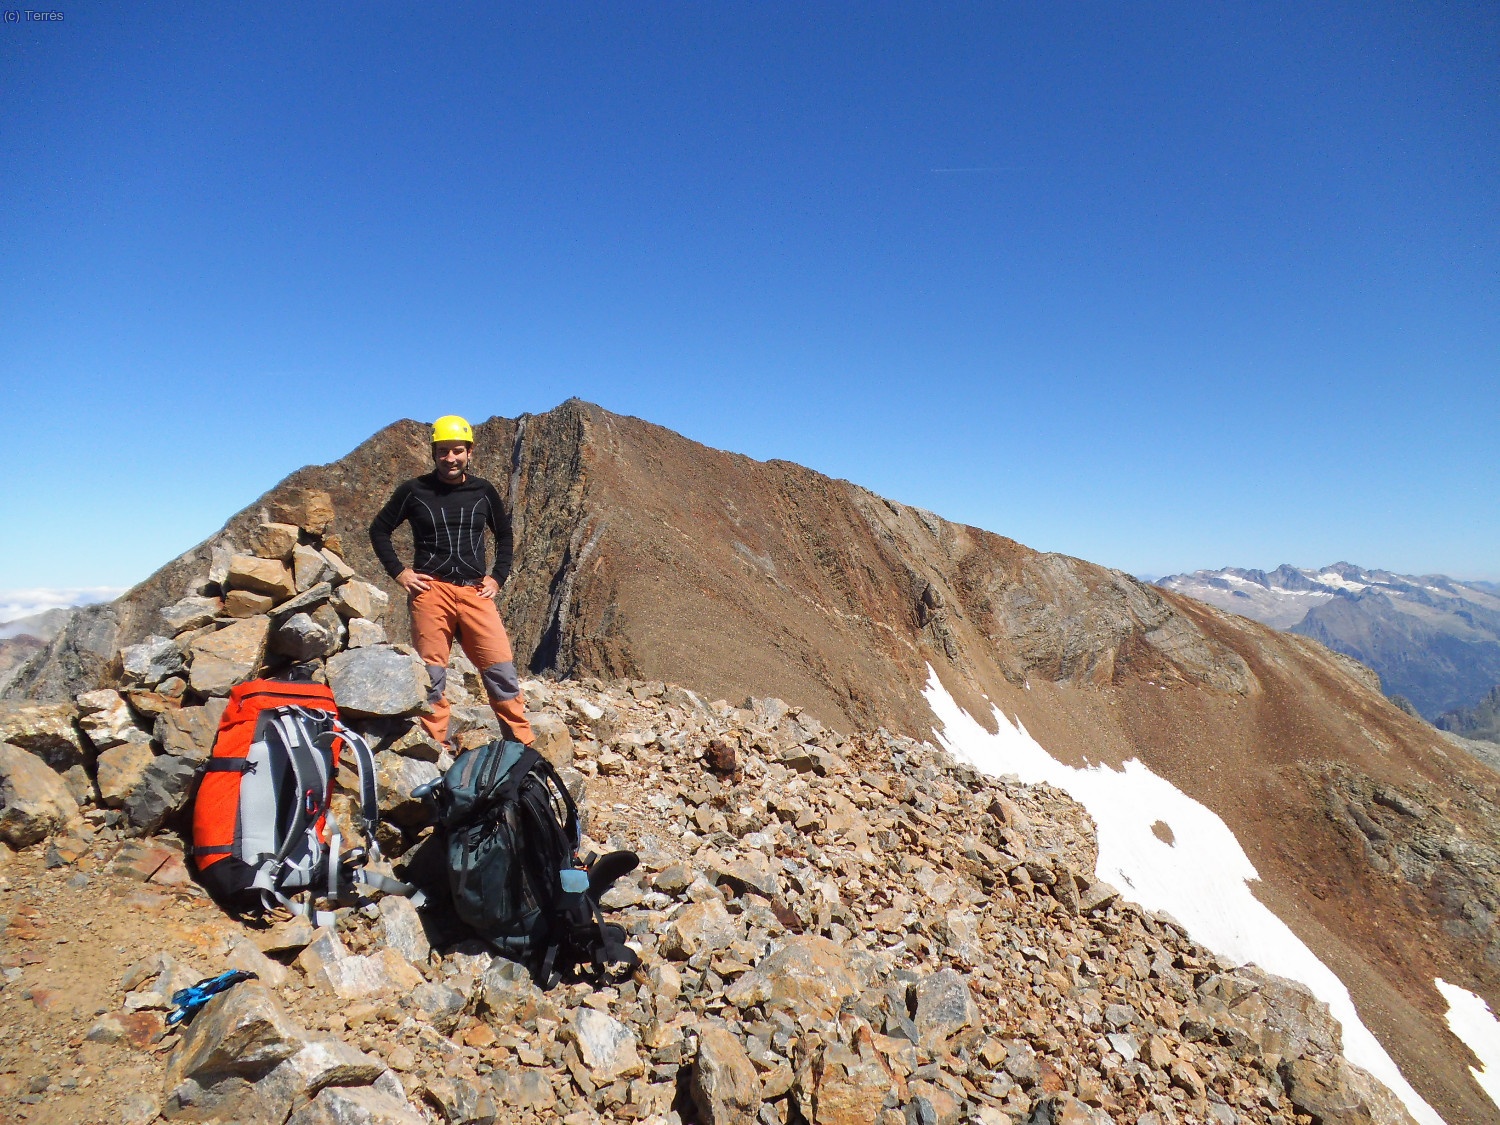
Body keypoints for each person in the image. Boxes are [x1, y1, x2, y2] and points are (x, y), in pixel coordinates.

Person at [368, 415, 534, 749]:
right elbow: (379, 529)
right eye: (443, 451)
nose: (450, 458)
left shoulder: (483, 491)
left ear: (469, 452)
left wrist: (497, 578)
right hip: (431, 592)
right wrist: (400, 573)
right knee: (432, 676)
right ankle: (434, 751)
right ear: (433, 453)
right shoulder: (414, 491)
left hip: (474, 590)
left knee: (500, 669)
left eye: (457, 451)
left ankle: (522, 746)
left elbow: (504, 536)